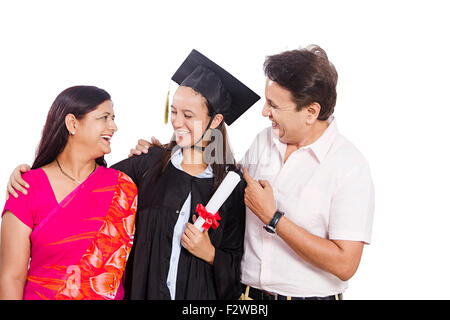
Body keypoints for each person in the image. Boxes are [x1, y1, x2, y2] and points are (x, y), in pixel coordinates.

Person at [5, 49, 260, 300]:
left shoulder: (231, 186)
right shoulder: (147, 166)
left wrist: (210, 253)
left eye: (188, 115)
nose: (177, 122)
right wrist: (30, 174)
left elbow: (237, 266)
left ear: (215, 122)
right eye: (174, 111)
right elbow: (85, 183)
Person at [130, 45, 375, 300]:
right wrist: (161, 156)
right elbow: (220, 182)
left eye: (274, 105)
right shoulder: (265, 141)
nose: (264, 112)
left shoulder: (348, 166)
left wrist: (273, 218)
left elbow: (345, 265)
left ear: (311, 112)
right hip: (246, 297)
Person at [0, 85, 138, 300]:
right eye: (104, 117)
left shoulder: (123, 187)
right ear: (73, 123)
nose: (114, 126)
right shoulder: (27, 188)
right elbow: (12, 277)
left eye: (113, 117)